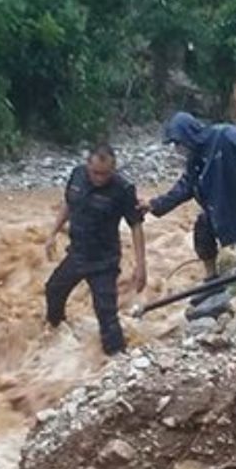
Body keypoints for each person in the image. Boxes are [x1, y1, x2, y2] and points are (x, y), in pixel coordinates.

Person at [44, 146, 150, 356]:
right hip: (77, 253)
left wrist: (141, 266)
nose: (99, 178)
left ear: (113, 169)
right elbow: (68, 204)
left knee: (106, 313)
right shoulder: (77, 175)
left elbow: (136, 226)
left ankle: (118, 359)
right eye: (95, 172)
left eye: (105, 174)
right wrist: (52, 233)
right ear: (87, 165)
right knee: (53, 289)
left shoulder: (123, 189)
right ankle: (55, 335)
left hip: (104, 261)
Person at [151, 113, 236, 287]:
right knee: (203, 228)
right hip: (226, 209)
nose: (177, 149)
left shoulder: (225, 135)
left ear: (188, 134)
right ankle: (211, 280)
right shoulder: (195, 158)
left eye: (177, 142)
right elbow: (186, 186)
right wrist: (155, 205)